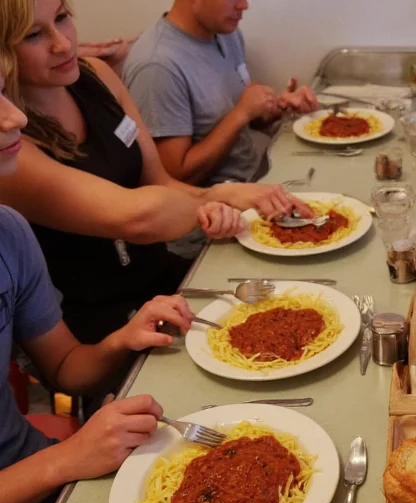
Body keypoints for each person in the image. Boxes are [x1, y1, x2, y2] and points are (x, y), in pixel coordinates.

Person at [0, 0, 307, 346]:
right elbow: (135, 218)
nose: (63, 43)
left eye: (61, 18)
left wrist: (222, 197)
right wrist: (216, 197)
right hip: (97, 326)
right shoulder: (11, 150)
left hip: (161, 283)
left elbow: (159, 180)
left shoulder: (97, 75)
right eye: (34, 35)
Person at [0, 72, 184, 503]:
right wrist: (70, 455)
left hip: (40, 479)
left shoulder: (9, 233)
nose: (15, 117)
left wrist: (120, 341)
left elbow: (64, 367)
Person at [122, 0, 320, 188]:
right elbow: (174, 179)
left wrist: (278, 106)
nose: (244, 5)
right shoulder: (158, 67)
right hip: (214, 207)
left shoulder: (225, 34)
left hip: (256, 176)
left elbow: (245, 115)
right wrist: (241, 113)